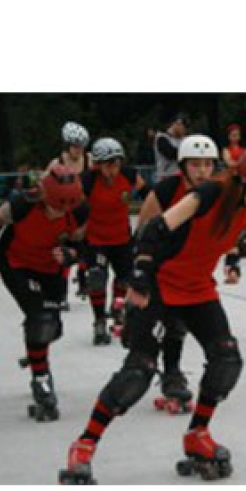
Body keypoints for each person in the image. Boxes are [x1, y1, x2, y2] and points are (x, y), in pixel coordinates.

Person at [58, 143, 246, 485]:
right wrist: (140, 274)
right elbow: (155, 228)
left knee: (227, 361)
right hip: (162, 287)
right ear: (245, 179)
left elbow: (243, 236)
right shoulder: (210, 193)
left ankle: (197, 434)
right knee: (138, 373)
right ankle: (84, 443)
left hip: (198, 291)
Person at [0, 164, 88, 422]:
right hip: (16, 263)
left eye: (66, 208)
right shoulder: (22, 204)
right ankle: (41, 379)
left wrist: (71, 254)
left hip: (51, 268)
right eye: (57, 207)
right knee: (40, 321)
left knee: (52, 327)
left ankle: (35, 350)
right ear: (45, 197)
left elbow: (83, 245)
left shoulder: (77, 211)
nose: (60, 215)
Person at [131, 134, 219, 413]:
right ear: (183, 167)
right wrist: (138, 272)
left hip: (190, 272)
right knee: (148, 332)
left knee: (177, 323)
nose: (203, 171)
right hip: (158, 268)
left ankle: (172, 374)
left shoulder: (217, 192)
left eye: (207, 165)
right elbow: (143, 229)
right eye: (195, 165)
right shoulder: (167, 190)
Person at [79, 137, 147, 346]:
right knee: (97, 278)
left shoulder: (129, 175)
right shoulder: (88, 181)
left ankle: (118, 313)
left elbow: (151, 196)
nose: (113, 170)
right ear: (98, 165)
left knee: (125, 280)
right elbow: (75, 209)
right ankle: (99, 321)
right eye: (108, 165)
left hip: (122, 237)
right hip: (96, 238)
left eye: (117, 164)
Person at [49, 121, 92, 307]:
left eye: (81, 146)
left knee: (86, 249)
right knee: (64, 253)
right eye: (75, 146)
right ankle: (61, 294)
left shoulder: (90, 160)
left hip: (85, 211)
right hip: (65, 213)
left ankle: (84, 279)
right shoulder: (56, 163)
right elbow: (46, 187)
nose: (79, 150)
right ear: (68, 145)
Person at [152, 112, 188, 181]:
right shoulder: (162, 138)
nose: (184, 131)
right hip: (166, 176)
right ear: (177, 124)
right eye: (184, 128)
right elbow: (170, 153)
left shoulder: (184, 139)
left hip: (181, 176)